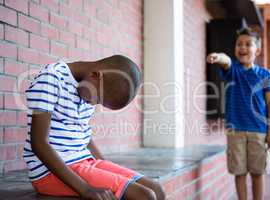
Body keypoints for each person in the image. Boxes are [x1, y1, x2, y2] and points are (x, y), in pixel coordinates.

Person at [23, 55, 165, 200]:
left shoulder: (87, 88)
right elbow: (39, 143)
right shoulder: (51, 79)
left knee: (156, 189)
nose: (93, 104)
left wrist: (105, 166)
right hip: (49, 174)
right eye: (98, 100)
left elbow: (83, 134)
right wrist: (85, 189)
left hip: (84, 161)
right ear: (95, 75)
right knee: (144, 196)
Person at [206, 28, 270, 200]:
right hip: (235, 130)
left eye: (248, 44)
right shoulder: (234, 71)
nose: (243, 47)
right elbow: (226, 61)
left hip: (259, 131)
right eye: (239, 44)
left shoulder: (265, 74)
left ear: (258, 50)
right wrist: (217, 56)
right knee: (239, 173)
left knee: (257, 172)